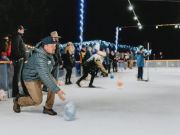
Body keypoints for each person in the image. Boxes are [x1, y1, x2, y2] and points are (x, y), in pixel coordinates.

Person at [13, 36, 65, 115]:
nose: (55, 47)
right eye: (52, 45)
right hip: (31, 78)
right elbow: (44, 75)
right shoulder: (39, 57)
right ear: (45, 46)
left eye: (55, 45)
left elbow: (46, 71)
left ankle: (48, 107)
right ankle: (18, 101)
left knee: (53, 82)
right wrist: (57, 90)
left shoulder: (48, 53)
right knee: (37, 101)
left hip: (39, 75)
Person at [11, 25, 28, 97]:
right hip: (18, 60)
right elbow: (15, 50)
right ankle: (16, 93)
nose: (23, 31)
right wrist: (21, 56)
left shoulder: (19, 37)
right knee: (17, 76)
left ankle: (18, 92)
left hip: (19, 59)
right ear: (19, 30)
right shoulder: (17, 37)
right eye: (22, 29)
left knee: (19, 76)